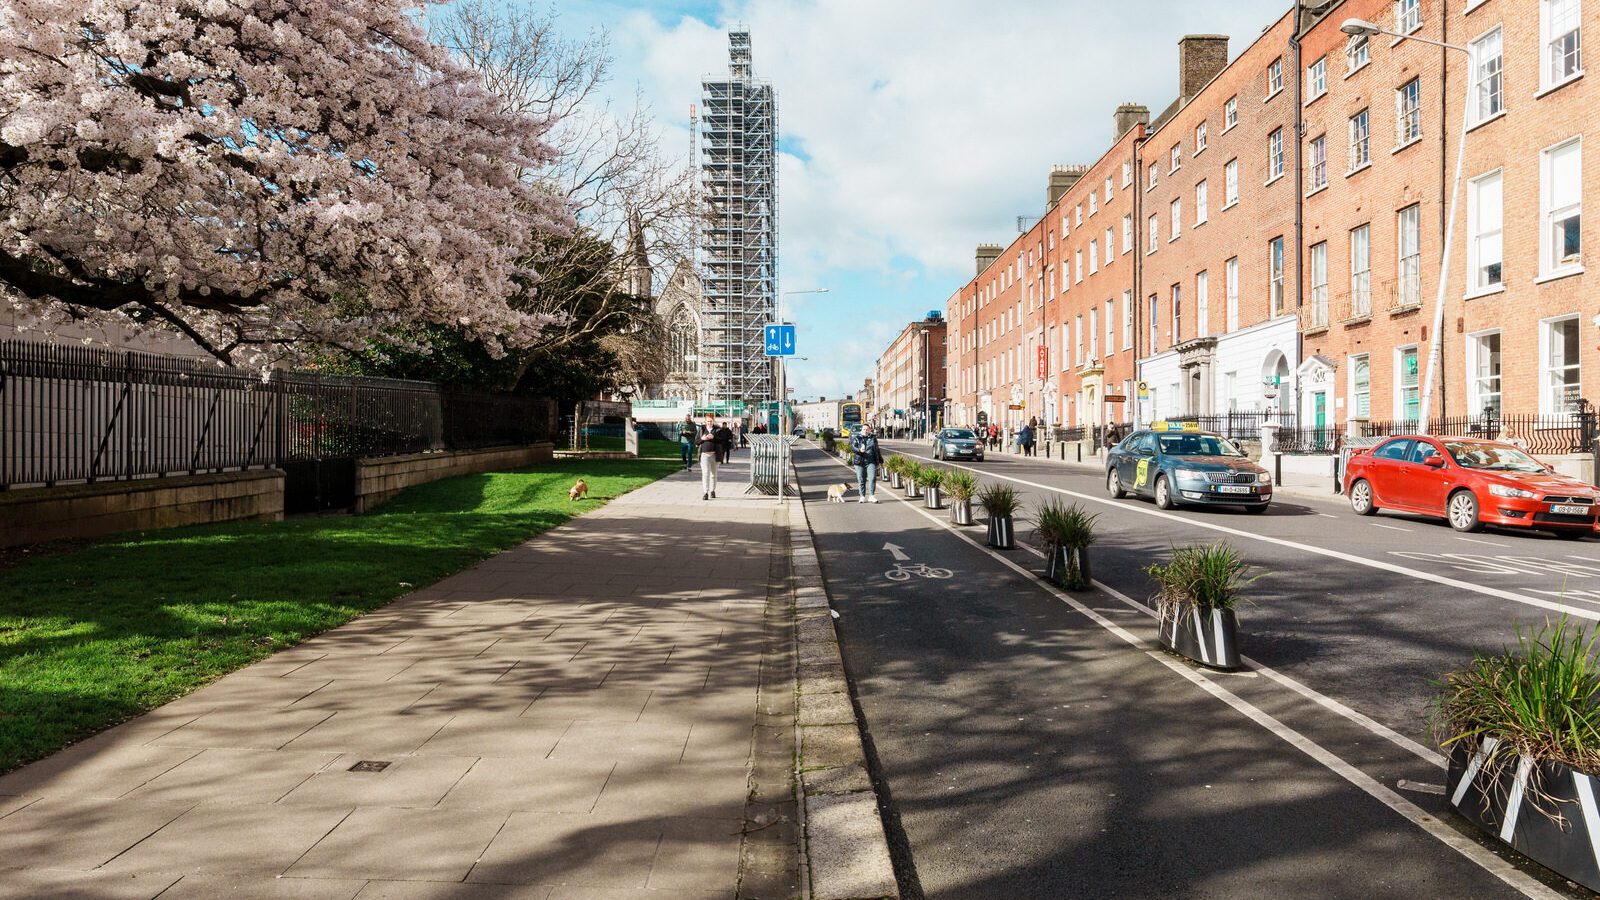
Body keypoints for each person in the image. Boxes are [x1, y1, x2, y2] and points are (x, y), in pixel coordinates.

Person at [850, 423, 884, 503]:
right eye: (864, 429)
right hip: (859, 461)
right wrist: (859, 450)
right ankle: (862, 496)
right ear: (861, 430)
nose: (865, 431)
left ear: (869, 430)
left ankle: (871, 496)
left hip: (871, 461)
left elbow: (877, 449)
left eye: (867, 429)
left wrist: (880, 460)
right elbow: (853, 447)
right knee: (861, 479)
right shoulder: (857, 437)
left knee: (872, 478)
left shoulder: (873, 438)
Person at [697, 424, 721, 500]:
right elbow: (696, 442)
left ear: (713, 421)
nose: (709, 423)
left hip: (715, 454)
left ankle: (712, 490)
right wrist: (702, 439)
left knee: (713, 474)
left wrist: (714, 437)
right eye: (708, 421)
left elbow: (722, 440)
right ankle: (705, 492)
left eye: (711, 421)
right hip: (704, 455)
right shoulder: (702, 430)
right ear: (705, 421)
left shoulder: (717, 430)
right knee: (705, 473)